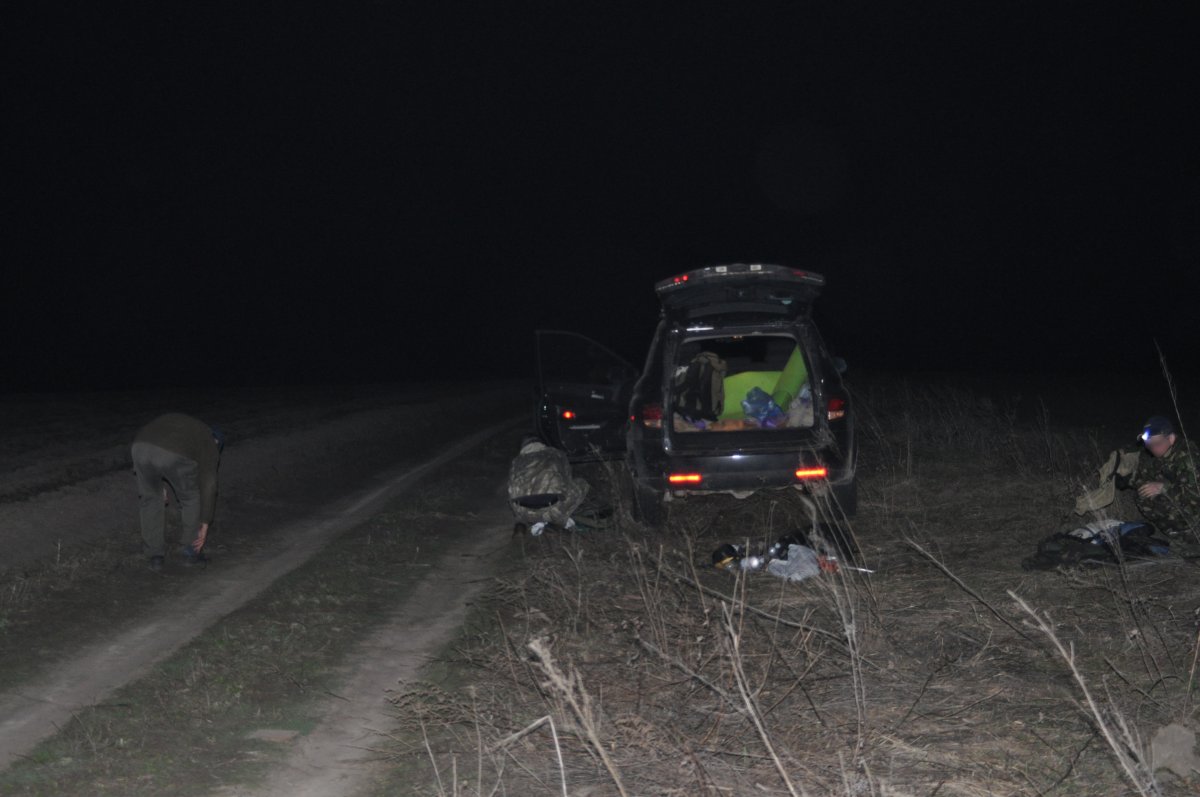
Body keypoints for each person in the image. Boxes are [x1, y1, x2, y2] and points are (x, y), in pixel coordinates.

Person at [131, 413, 224, 570]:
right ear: (217, 442)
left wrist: (159, 482)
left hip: (140, 447)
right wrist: (205, 522)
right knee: (190, 497)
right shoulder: (210, 442)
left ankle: (155, 556)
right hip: (171, 453)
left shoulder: (189, 428)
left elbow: (158, 446)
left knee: (151, 499)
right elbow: (209, 485)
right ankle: (190, 552)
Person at [1125, 415, 1200, 535]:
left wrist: (1164, 487)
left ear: (1171, 439)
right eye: (1148, 445)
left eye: (1157, 443)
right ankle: (1171, 530)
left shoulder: (1188, 459)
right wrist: (1129, 480)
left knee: (1157, 500)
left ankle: (1188, 533)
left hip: (1194, 508)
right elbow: (1146, 474)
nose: (1153, 449)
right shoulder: (1160, 451)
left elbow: (1195, 496)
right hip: (1178, 497)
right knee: (1143, 493)